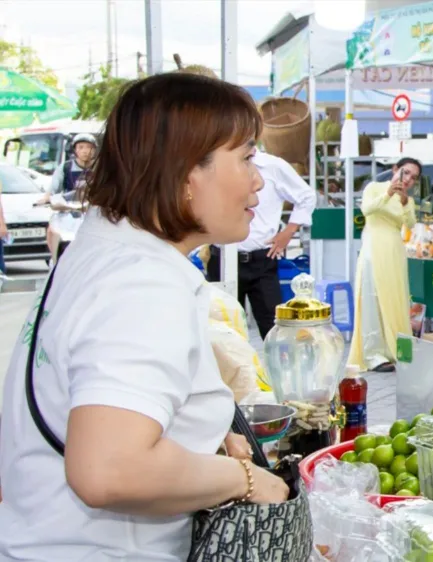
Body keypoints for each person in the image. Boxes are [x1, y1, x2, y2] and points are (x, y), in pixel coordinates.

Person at [0, 72, 289, 559]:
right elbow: (108, 470)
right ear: (184, 175)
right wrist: (242, 479)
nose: (258, 179)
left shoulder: (99, 247)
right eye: (246, 158)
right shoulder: (143, 282)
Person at [206, 150, 317, 338]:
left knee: (274, 329)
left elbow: (306, 196)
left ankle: (276, 367)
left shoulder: (273, 166)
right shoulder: (213, 161)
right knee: (222, 330)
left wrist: (288, 232)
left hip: (263, 259)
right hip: (222, 258)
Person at [349, 157, 420, 372]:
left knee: (396, 297)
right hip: (373, 247)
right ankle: (373, 354)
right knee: (372, 298)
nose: (408, 179)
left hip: (394, 249)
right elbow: (367, 210)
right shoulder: (375, 188)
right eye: (405, 173)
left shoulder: (407, 200)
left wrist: (405, 202)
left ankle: (399, 350)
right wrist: (389, 192)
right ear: (395, 169)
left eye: (413, 177)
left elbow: (410, 224)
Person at [37, 133, 97, 260]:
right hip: (68, 213)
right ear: (74, 150)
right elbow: (53, 189)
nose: (85, 151)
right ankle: (55, 261)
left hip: (94, 213)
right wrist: (46, 198)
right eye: (81, 147)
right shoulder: (65, 167)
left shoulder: (101, 168)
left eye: (89, 147)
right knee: (52, 230)